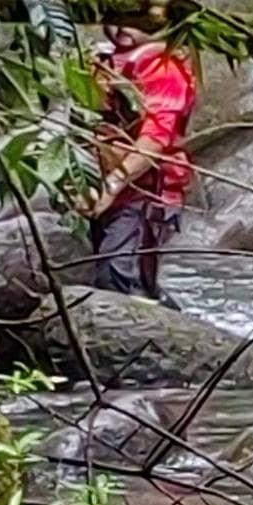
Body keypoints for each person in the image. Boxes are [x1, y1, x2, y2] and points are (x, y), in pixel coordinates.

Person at [87, 24, 196, 299]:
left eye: (133, 19)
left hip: (145, 197)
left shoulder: (163, 67)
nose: (122, 26)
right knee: (105, 276)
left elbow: (156, 137)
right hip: (104, 190)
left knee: (119, 279)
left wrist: (112, 184)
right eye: (114, 17)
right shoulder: (100, 61)